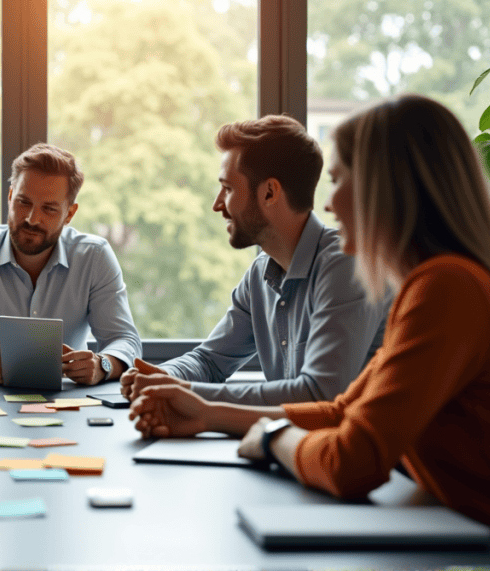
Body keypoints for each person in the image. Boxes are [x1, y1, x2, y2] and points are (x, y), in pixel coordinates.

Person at [129, 94, 490, 565]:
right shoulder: (430, 285)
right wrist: (206, 413)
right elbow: (341, 411)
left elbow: (351, 460)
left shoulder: (448, 288)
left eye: (337, 182)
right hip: (468, 546)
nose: (328, 203)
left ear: (385, 189)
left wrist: (274, 438)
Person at [120, 115, 386, 405]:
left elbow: (320, 393)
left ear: (269, 192)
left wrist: (186, 395)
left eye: (228, 188)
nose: (217, 204)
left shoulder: (345, 266)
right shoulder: (261, 274)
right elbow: (210, 361)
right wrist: (163, 376)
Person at [0, 143, 142, 385]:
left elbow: (125, 340)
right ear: (10, 197)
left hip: (69, 401)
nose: (32, 219)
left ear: (69, 214)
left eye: (49, 209)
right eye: (24, 202)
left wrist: (101, 365)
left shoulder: (94, 256)